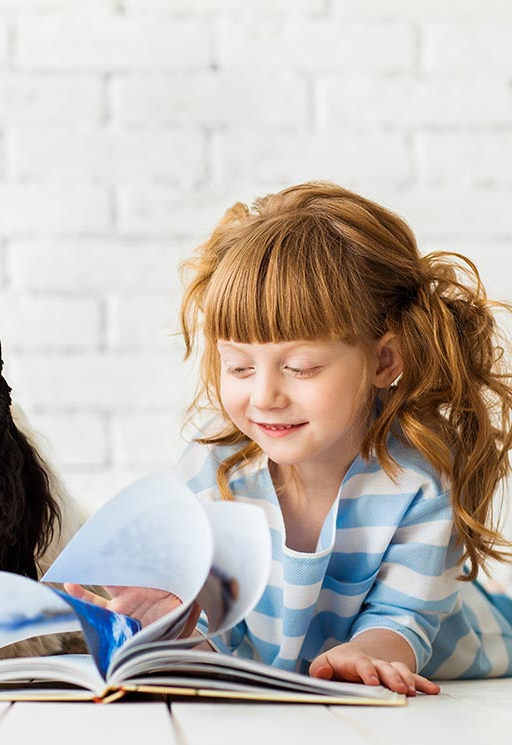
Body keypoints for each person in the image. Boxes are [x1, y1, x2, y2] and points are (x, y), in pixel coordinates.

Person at [66, 182, 512, 696]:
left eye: (300, 367)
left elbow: (405, 619)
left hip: (468, 638)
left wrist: (367, 654)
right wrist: (172, 632)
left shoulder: (417, 477)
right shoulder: (213, 470)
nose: (264, 396)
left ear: (383, 361)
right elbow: (225, 646)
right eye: (238, 366)